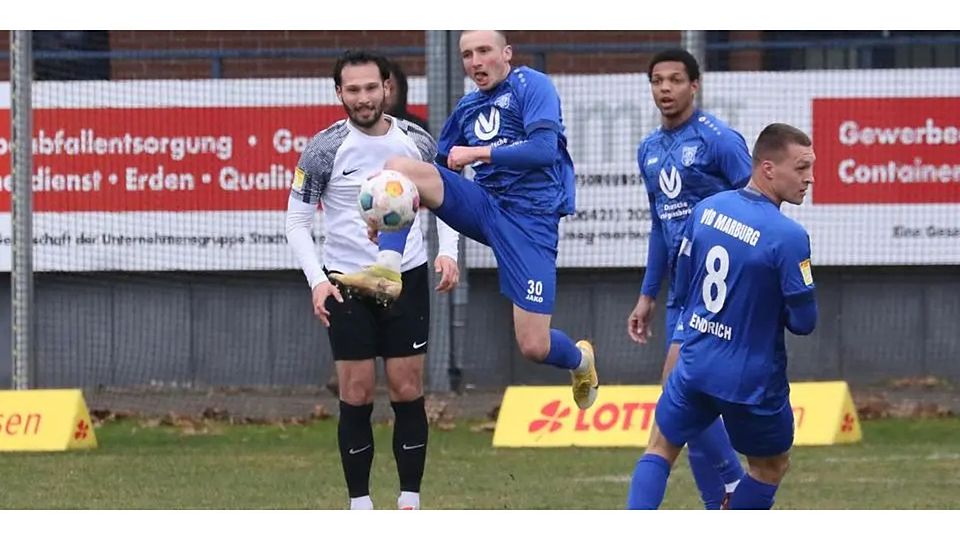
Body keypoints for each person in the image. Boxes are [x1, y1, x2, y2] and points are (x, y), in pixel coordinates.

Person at [331, 30, 599, 410]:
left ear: (506, 54)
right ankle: (387, 269)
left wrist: (478, 153)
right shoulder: (468, 106)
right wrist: (387, 211)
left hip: (530, 222)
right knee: (397, 169)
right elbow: (435, 177)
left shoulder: (532, 85)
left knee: (533, 346)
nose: (475, 61)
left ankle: (580, 359)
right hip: (485, 206)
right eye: (467, 54)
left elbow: (542, 151)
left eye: (484, 51)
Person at [285, 50, 460, 511]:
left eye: (370, 88)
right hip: (348, 282)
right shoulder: (323, 149)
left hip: (407, 277)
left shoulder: (417, 142)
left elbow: (448, 198)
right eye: (353, 90)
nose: (363, 98)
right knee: (356, 393)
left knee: (407, 389)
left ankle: (409, 503)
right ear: (339, 93)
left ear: (387, 88)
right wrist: (317, 281)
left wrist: (448, 253)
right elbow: (297, 222)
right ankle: (360, 506)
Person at [627, 122, 818, 509]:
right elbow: (804, 322)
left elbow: (683, 287)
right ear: (767, 168)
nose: (810, 178)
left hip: (696, 361)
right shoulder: (788, 236)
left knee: (660, 445)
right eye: (800, 168)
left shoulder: (706, 209)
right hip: (751, 379)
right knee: (770, 467)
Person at [625, 48, 752, 509]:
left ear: (694, 85)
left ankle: (735, 482)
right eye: (657, 80)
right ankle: (718, 501)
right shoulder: (649, 150)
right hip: (680, 288)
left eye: (675, 80)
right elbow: (661, 224)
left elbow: (756, 206)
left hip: (717, 285)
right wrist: (647, 295)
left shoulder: (719, 139)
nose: (665, 89)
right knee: (689, 398)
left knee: (675, 384)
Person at [385, 59, 430, 133]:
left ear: (400, 90)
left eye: (390, 88)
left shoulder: (415, 128)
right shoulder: (361, 128)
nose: (385, 95)